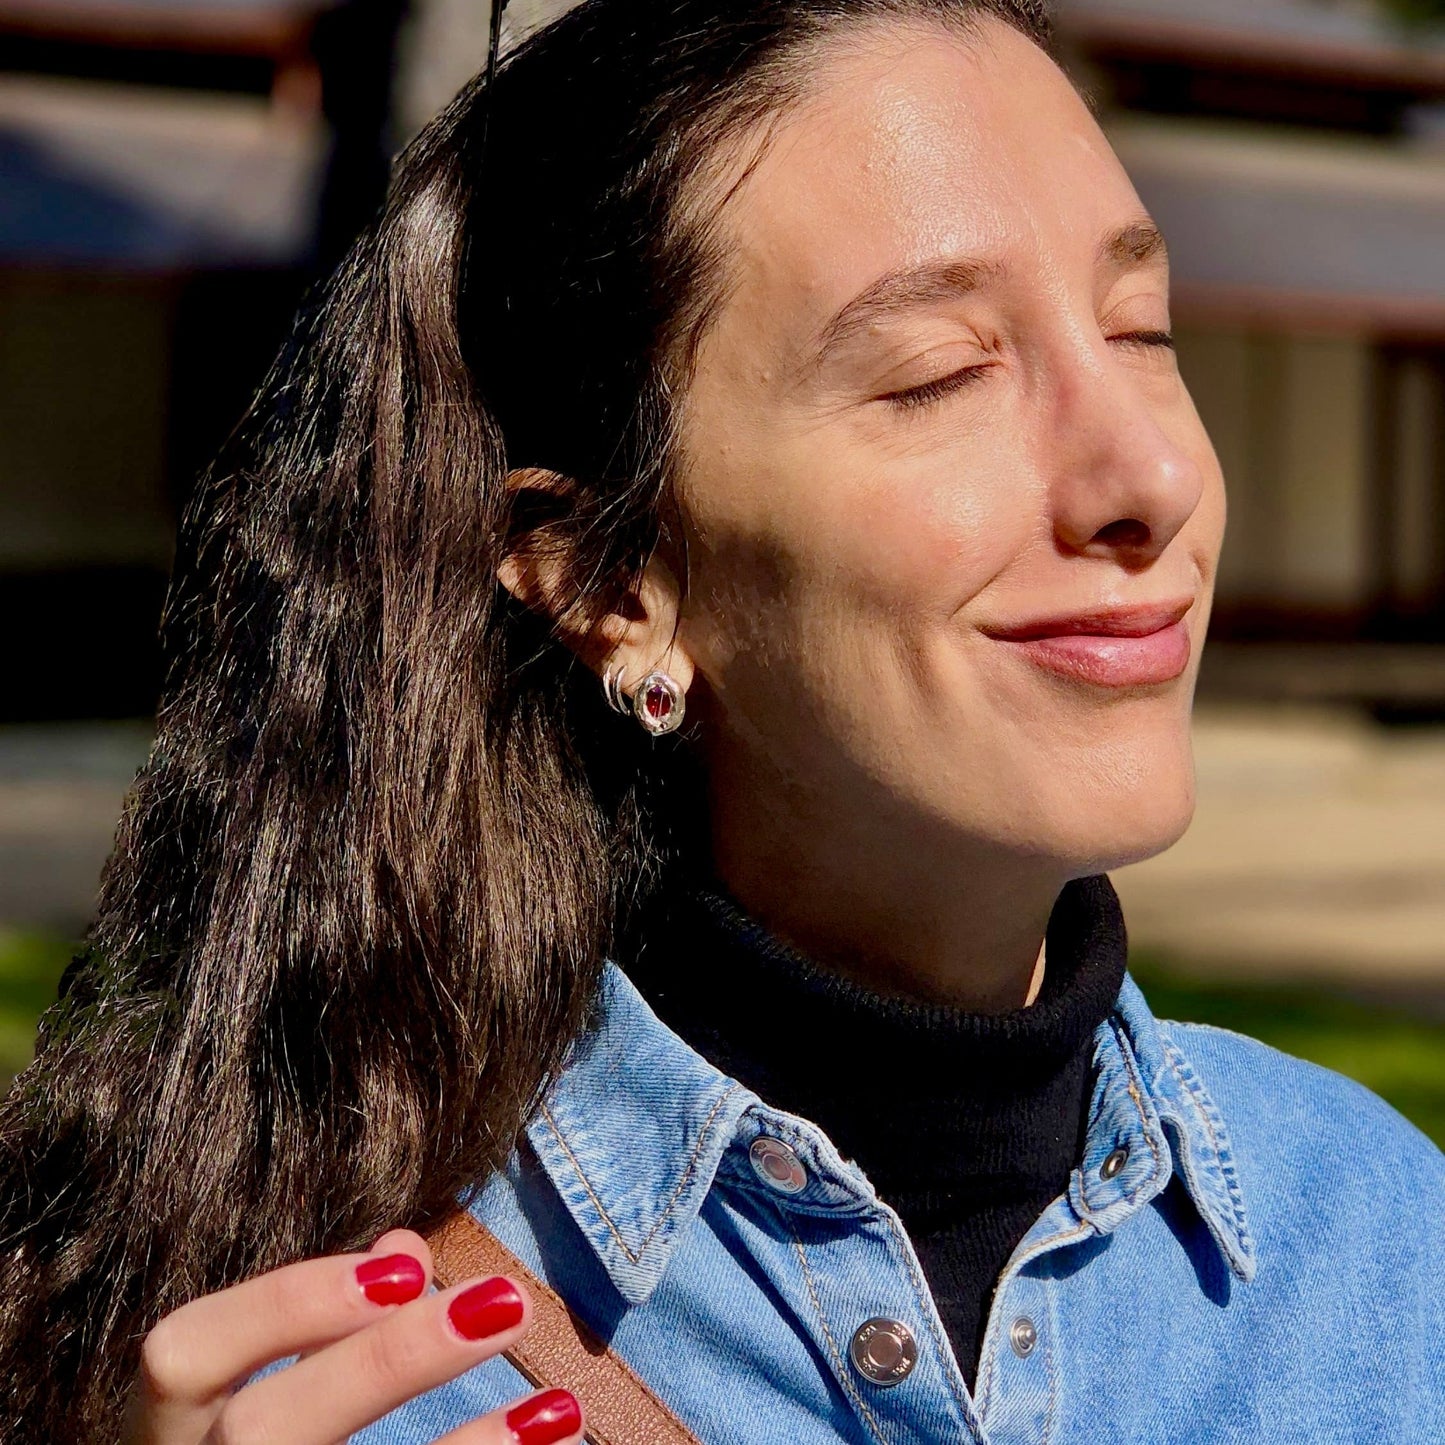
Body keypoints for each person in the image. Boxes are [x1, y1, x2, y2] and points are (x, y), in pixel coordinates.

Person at [2, 0, 1441, 1440]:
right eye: (940, 369)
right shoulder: (338, 1363)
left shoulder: (1377, 1236)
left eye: (1140, 328)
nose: (1150, 476)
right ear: (612, 584)